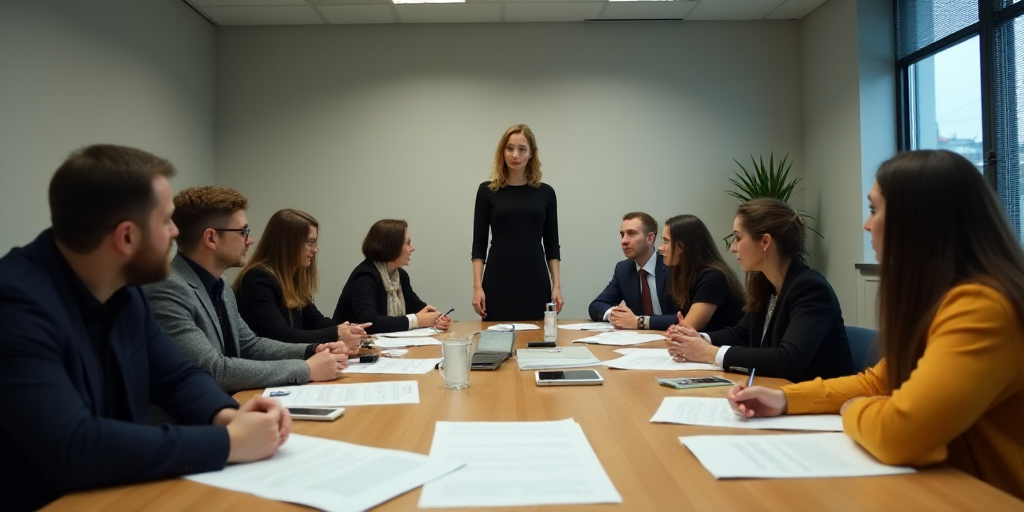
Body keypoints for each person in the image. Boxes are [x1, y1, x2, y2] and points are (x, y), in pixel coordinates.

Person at [0, 145, 289, 512]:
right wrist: (229, 442)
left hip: (120, 490)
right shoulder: (14, 305)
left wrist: (228, 416)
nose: (175, 232)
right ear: (127, 237)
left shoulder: (125, 288)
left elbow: (177, 376)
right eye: (166, 221)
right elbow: (74, 446)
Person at [727, 150, 1024, 500]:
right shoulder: (943, 299)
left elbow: (902, 433)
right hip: (945, 486)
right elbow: (878, 382)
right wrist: (783, 399)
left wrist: (854, 409)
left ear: (917, 219)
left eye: (874, 209)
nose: (866, 224)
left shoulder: (982, 307)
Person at [144, 186, 352, 394]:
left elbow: (250, 345)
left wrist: (312, 349)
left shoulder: (221, 285)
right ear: (211, 238)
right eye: (243, 232)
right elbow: (213, 369)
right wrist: (305, 369)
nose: (250, 240)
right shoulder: (167, 289)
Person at [667, 198, 854, 382]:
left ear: (765, 242)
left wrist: (710, 353)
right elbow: (741, 334)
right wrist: (699, 338)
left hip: (819, 398)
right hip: (777, 391)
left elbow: (788, 360)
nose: (733, 248)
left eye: (738, 238)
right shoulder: (765, 283)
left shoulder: (810, 288)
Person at [234, 209, 369, 344]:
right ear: (288, 244)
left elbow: (316, 322)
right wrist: (336, 333)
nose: (315, 249)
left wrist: (350, 329)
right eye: (310, 242)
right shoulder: (258, 279)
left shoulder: (292, 278)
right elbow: (281, 337)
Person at [471, 124, 562, 321]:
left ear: (531, 153)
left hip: (535, 278)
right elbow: (479, 245)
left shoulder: (546, 193)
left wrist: (557, 286)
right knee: (496, 336)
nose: (515, 155)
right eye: (510, 148)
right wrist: (477, 287)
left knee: (538, 335)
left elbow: (552, 245)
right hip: (498, 278)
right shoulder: (487, 191)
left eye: (522, 149)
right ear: (502, 152)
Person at [333, 219, 451, 334]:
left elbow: (417, 308)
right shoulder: (365, 276)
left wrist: (435, 318)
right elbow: (368, 322)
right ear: (392, 246)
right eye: (408, 243)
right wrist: (416, 320)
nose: (412, 248)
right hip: (349, 345)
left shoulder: (400, 275)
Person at [658, 214, 744, 332]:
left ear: (682, 246)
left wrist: (677, 329)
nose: (661, 248)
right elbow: (678, 321)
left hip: (721, 343)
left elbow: (688, 327)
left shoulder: (713, 277)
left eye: (666, 241)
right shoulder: (677, 272)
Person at [588, 212, 675, 330]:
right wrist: (614, 314)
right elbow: (596, 305)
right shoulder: (623, 269)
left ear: (650, 238)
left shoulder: (672, 265)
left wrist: (638, 321)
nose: (624, 241)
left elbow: (685, 317)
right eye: (622, 234)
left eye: (631, 234)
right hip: (639, 338)